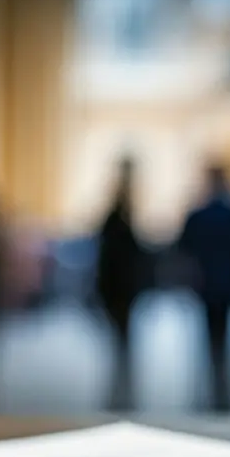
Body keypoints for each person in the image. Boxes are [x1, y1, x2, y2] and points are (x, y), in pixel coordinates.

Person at [177, 163, 230, 412]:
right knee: (226, 336)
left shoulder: (199, 215)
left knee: (209, 337)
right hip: (227, 285)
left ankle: (212, 388)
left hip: (207, 286)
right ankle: (224, 390)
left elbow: (184, 251)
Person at [95, 157, 145, 411]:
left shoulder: (116, 224)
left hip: (119, 290)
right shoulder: (118, 225)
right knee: (121, 341)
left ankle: (121, 390)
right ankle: (120, 391)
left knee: (121, 342)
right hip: (119, 290)